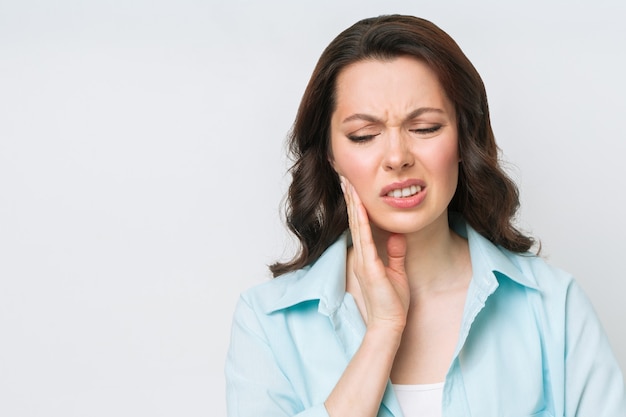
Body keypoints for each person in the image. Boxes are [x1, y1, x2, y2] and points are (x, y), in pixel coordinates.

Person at [224, 14, 626, 417]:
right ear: (330, 155)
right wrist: (382, 333)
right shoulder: (267, 321)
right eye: (364, 135)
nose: (397, 157)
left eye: (426, 127)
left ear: (464, 136)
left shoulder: (553, 305)